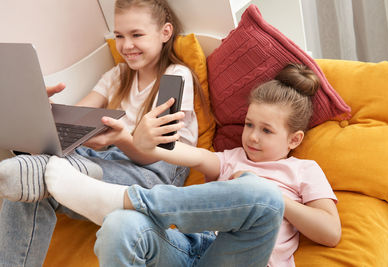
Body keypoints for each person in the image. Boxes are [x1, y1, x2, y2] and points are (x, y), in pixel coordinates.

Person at [44, 63, 341, 267]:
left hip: (239, 259)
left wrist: (268, 193)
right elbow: (190, 155)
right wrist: (143, 142)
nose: (252, 136)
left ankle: (125, 199)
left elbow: (330, 232)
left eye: (266, 130)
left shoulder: (304, 170)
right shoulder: (230, 159)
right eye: (249, 124)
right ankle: (123, 205)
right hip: (190, 247)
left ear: (294, 139)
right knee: (119, 224)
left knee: (262, 196)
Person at [0, 0, 202, 266]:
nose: (126, 45)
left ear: (165, 32)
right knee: (28, 189)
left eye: (136, 35)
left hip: (155, 172)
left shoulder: (176, 76)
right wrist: (44, 111)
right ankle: (36, 168)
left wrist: (121, 139)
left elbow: (159, 157)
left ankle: (34, 167)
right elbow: (78, 114)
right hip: (108, 160)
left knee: (27, 176)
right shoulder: (117, 75)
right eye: (119, 36)